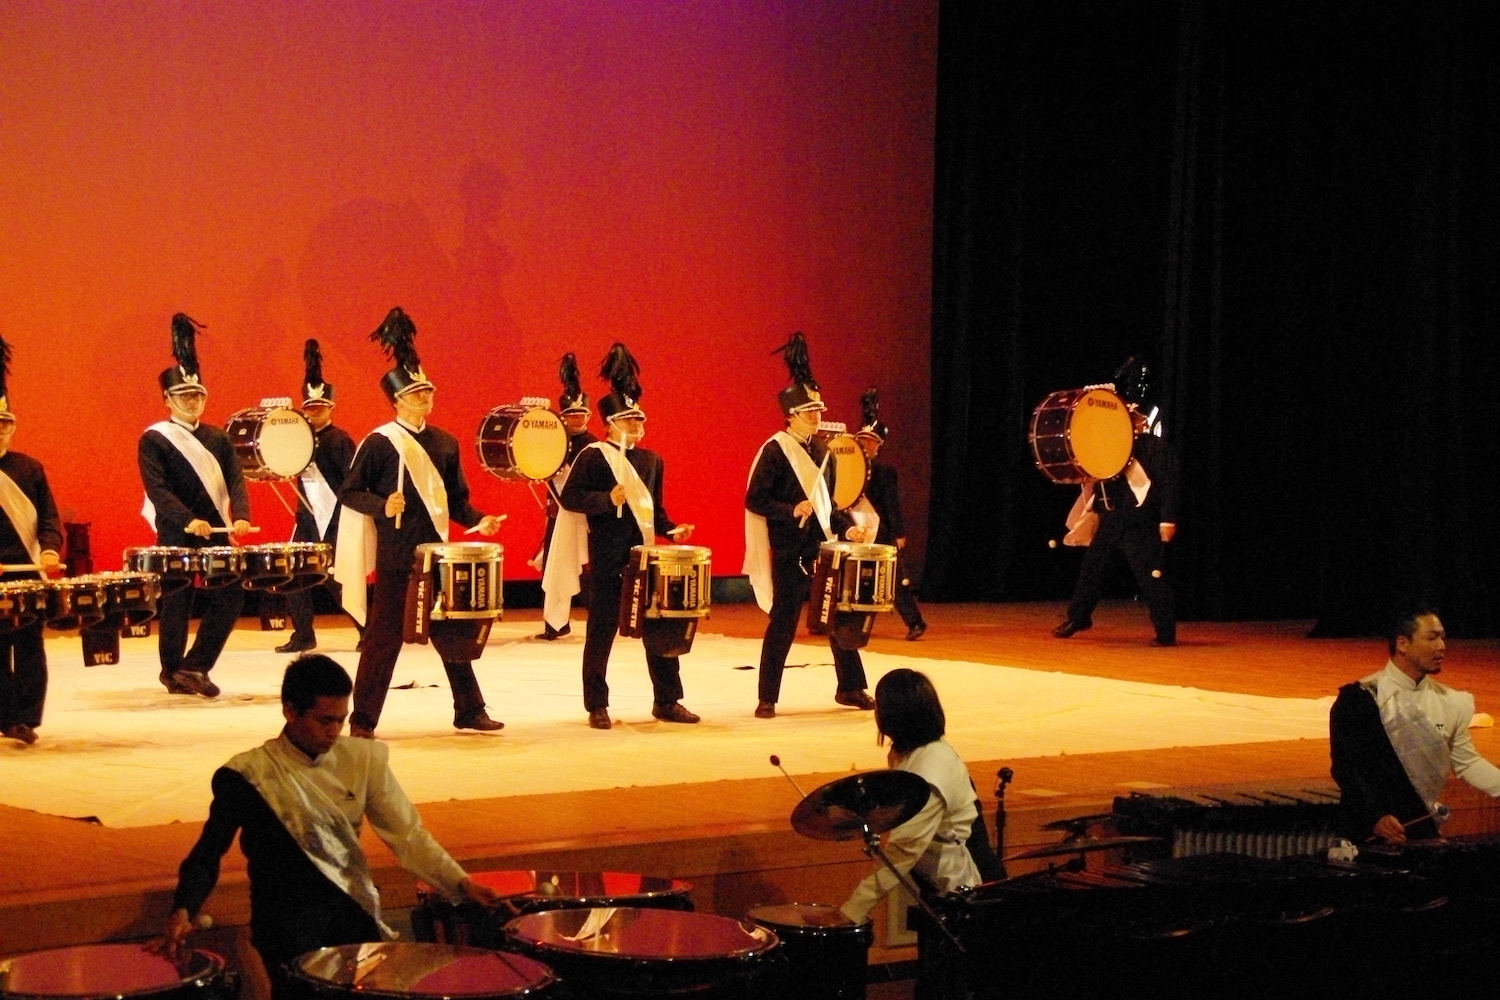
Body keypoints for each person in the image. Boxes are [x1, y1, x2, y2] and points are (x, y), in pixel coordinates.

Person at [160, 654, 502, 998]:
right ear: (290, 711)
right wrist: (184, 908)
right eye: (324, 720)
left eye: (341, 720)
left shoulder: (363, 760)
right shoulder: (248, 774)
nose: (334, 731)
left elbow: (408, 836)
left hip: (351, 916)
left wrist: (460, 881)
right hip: (285, 926)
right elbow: (208, 853)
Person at [333, 308, 504, 738]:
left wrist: (479, 519)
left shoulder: (445, 442)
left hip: (439, 553)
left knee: (452, 632)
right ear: (397, 400)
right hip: (398, 556)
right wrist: (381, 505)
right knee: (383, 639)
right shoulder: (379, 443)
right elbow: (349, 492)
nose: (426, 398)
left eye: (428, 391)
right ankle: (363, 719)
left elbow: (456, 500)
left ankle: (469, 709)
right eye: (417, 393)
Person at [557, 344, 699, 730]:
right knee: (601, 632)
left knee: (660, 627)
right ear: (610, 424)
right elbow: (571, 498)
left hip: (646, 557)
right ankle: (597, 704)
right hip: (609, 559)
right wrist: (607, 499)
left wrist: (672, 529)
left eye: (639, 421)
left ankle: (667, 700)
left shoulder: (652, 460)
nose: (636, 427)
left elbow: (656, 511)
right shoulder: (593, 455)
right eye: (629, 421)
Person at [745, 332, 876, 719]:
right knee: (783, 623)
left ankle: (850, 687)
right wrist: (791, 510)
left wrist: (847, 528)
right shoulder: (774, 450)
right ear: (791, 414)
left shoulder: (823, 451)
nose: (817, 417)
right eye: (810, 412)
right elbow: (755, 499)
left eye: (818, 410)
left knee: (839, 617)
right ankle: (767, 696)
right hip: (791, 552)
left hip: (822, 548)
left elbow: (827, 507)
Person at [139, 314, 252, 698]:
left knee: (231, 594)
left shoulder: (218, 437)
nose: (193, 401)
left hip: (216, 527)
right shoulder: (155, 439)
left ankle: (196, 665)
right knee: (177, 601)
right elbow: (158, 490)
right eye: (185, 395)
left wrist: (241, 516)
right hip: (176, 530)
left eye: (198, 395)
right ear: (167, 399)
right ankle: (172, 671)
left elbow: (236, 480)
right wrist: (187, 521)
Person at [1330, 605, 1500, 844]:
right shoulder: (1360, 698)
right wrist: (1376, 816)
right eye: (1431, 638)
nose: (1442, 646)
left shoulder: (1451, 702)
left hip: (1420, 828)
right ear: (1402, 644)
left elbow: (1468, 763)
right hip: (1369, 831)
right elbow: (1346, 768)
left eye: (1442, 637)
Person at [1052, 356, 1179, 646]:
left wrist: (1167, 518)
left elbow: (1169, 484)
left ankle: (1165, 630)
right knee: (1092, 569)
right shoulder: (1109, 448)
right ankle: (1079, 616)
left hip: (1138, 519)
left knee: (1149, 574)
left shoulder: (1154, 447)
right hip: (1111, 515)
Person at [839, 669, 983, 923]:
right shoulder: (908, 752)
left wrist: (851, 911)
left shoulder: (931, 770)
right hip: (940, 884)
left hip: (967, 892)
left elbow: (904, 850)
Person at [0, 337, 63, 745]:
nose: (0, 431)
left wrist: (51, 548)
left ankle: (25, 719)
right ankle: (5, 715)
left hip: (27, 572)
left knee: (29, 647)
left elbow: (50, 519)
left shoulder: (29, 468)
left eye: (5, 423)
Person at [279, 340, 357, 654]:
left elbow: (351, 481)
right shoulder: (298, 438)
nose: (314, 412)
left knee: (337, 579)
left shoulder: (340, 439)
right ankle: (303, 635)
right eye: (310, 408)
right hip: (306, 518)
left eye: (320, 407)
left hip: (335, 518)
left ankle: (368, 631)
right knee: (293, 575)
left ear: (331, 408)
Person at [853, 387, 928, 641]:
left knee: (893, 581)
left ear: (878, 445)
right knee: (860, 580)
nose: (865, 444)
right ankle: (856, 625)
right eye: (861, 440)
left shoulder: (884, 472)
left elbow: (891, 504)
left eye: (870, 441)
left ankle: (915, 622)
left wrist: (898, 533)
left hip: (881, 531)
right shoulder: (848, 469)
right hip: (856, 530)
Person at [534, 352, 598, 640]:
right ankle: (556, 624)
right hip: (557, 515)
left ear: (588, 415)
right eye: (571, 414)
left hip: (585, 517)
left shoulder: (595, 446)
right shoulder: (552, 442)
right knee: (553, 566)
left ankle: (598, 622)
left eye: (581, 413)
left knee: (586, 569)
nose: (577, 418)